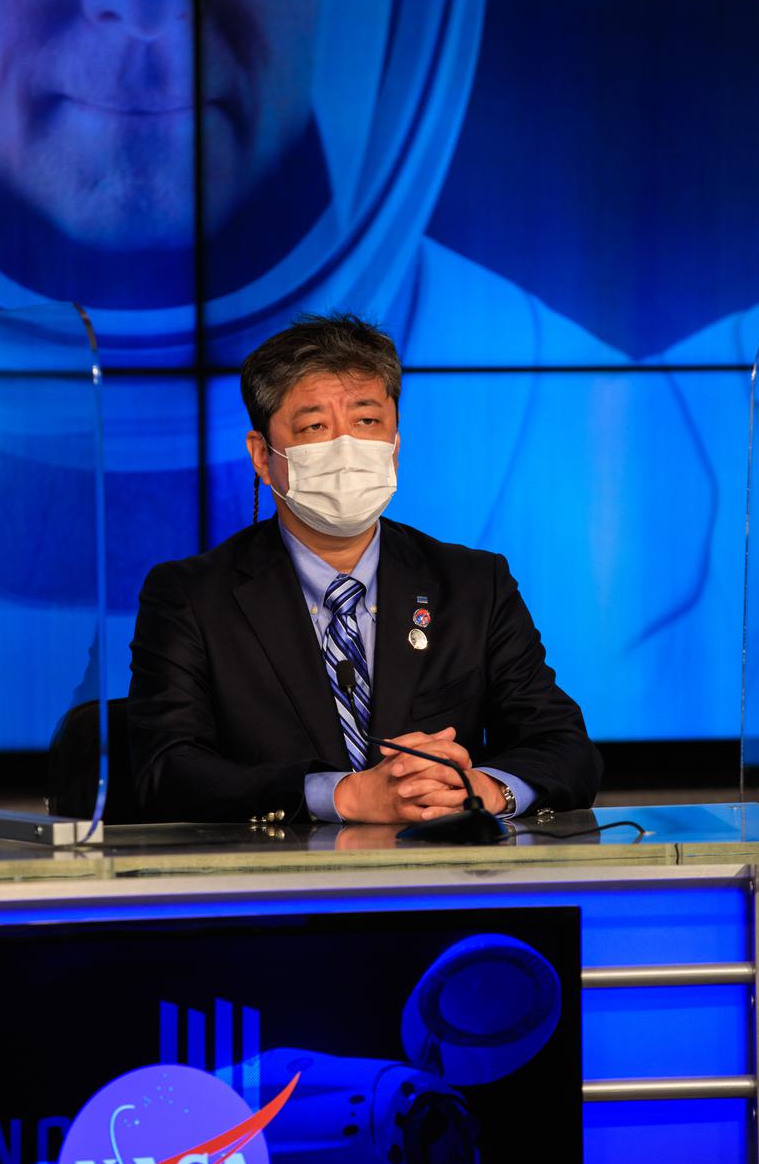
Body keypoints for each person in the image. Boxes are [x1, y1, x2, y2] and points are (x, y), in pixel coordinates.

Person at [128, 314, 602, 824]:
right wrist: (342, 796)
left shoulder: (472, 585)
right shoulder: (191, 597)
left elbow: (564, 747)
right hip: (278, 892)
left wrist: (485, 790)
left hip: (448, 888)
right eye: (314, 427)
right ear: (263, 457)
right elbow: (162, 771)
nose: (346, 448)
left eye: (367, 421)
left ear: (395, 445)